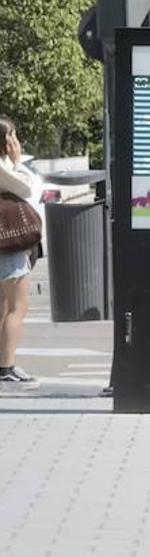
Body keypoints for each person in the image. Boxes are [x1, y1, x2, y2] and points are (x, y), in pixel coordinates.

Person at [0, 117, 38, 386]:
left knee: (3, 306)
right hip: (7, 245)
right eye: (12, 135)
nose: (15, 140)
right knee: (18, 307)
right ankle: (7, 366)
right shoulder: (3, 168)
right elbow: (27, 187)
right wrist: (16, 160)